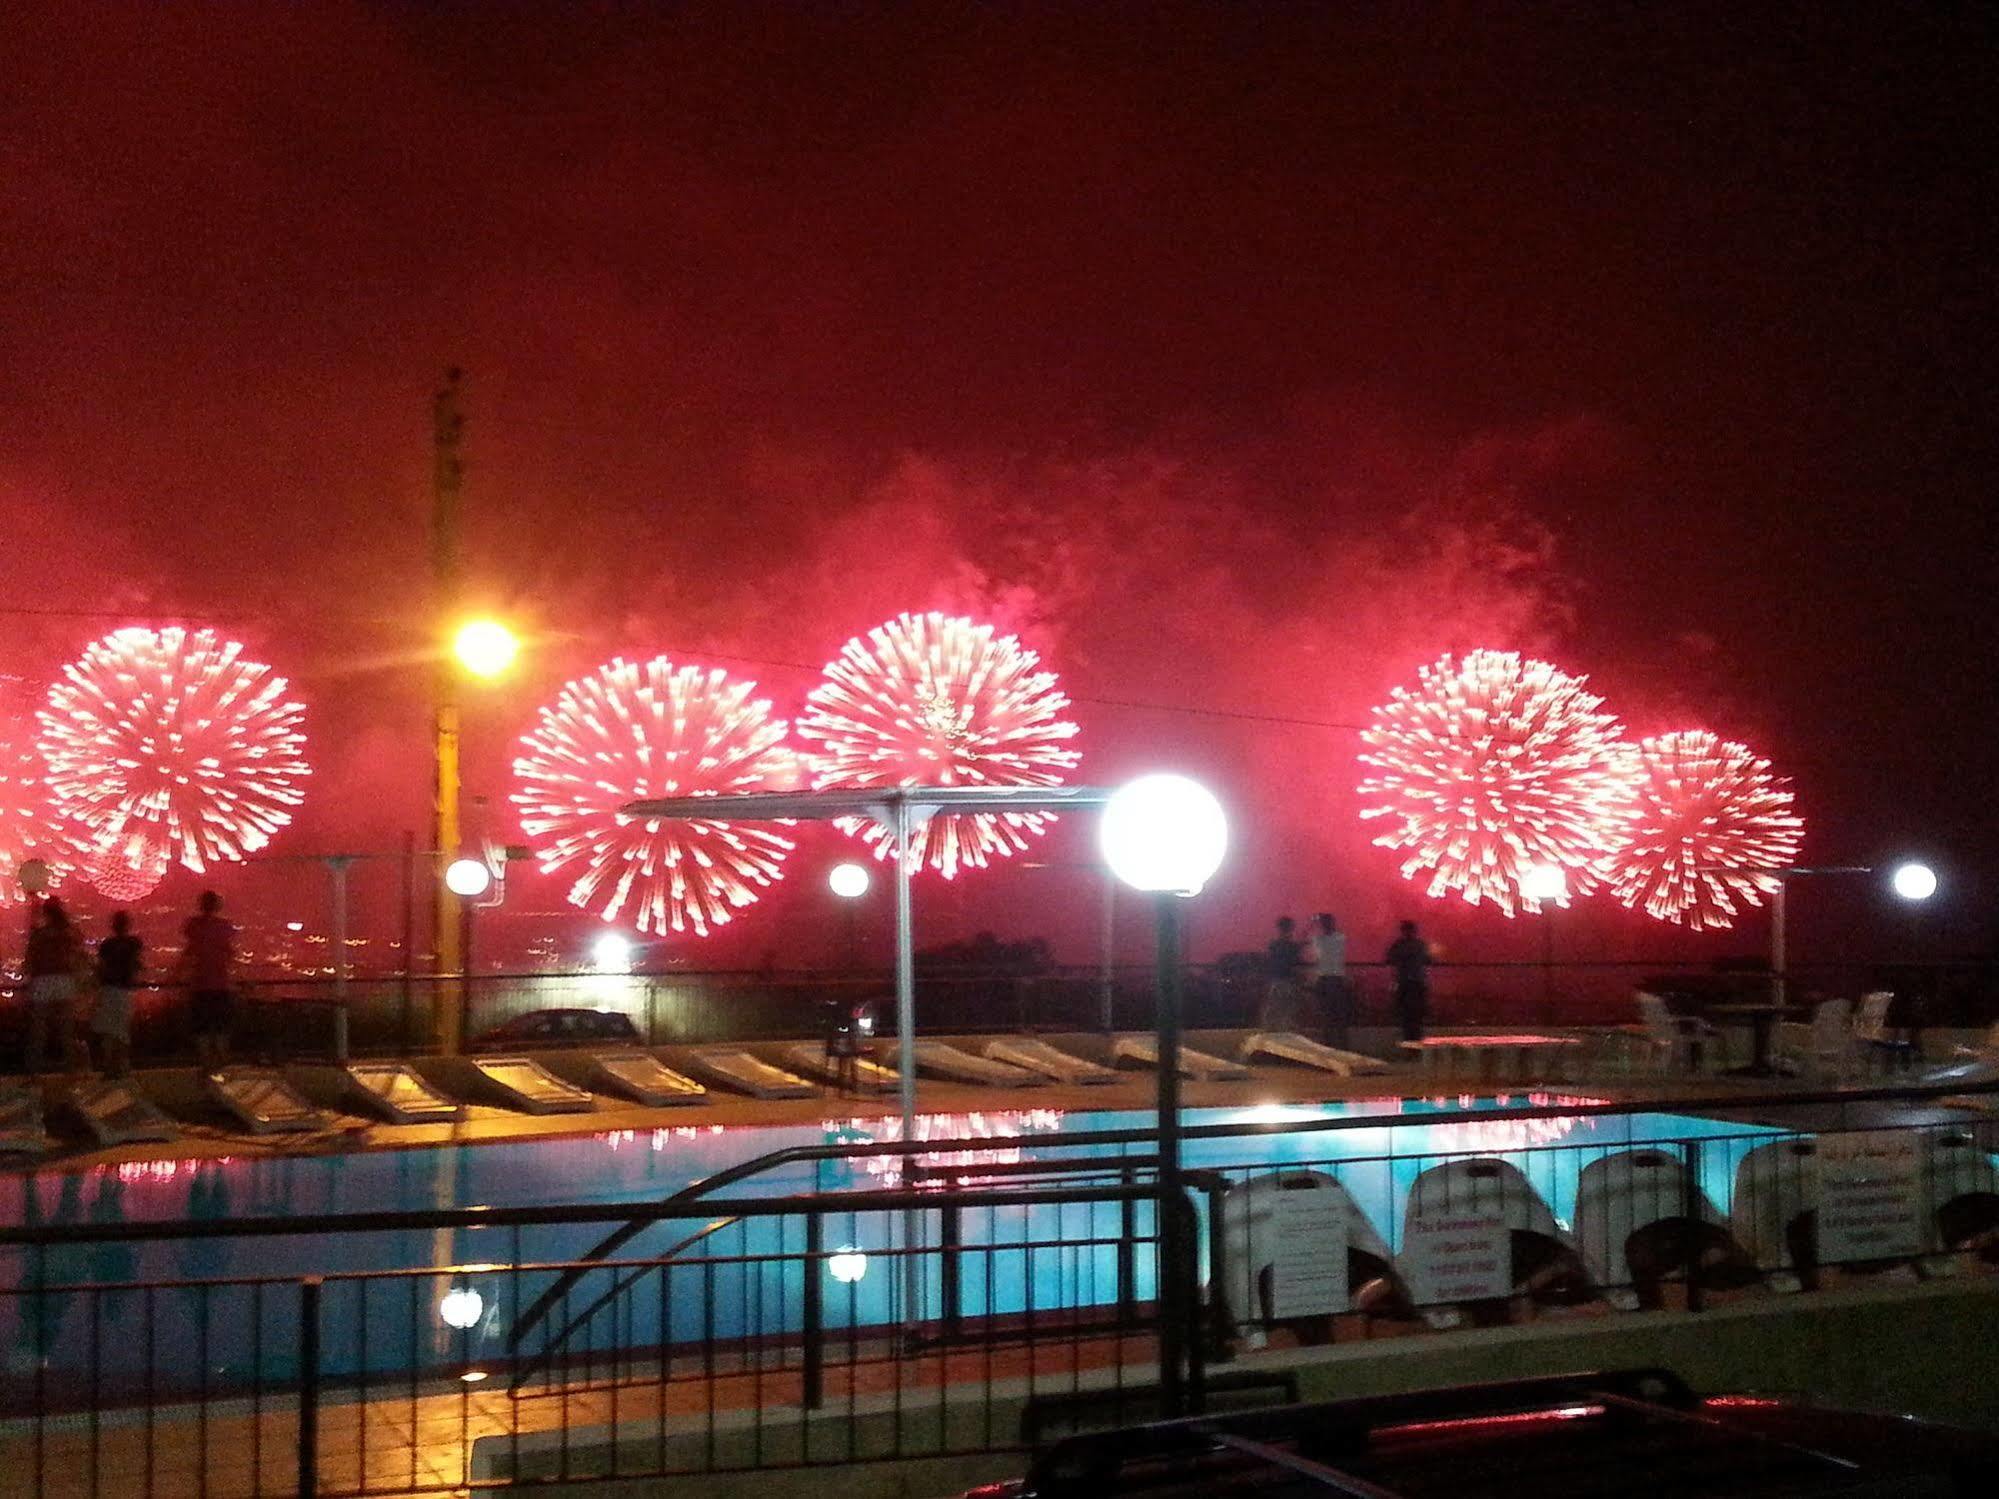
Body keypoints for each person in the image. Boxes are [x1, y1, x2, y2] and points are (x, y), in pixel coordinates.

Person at [23, 898, 85, 1074]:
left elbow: (29, 960)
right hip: (64, 981)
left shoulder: (39, 934)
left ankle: (33, 1074)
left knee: (38, 1032)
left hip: (42, 982)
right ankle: (71, 1072)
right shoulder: (68, 933)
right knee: (66, 1031)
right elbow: (79, 946)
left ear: (46, 913)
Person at [180, 890, 236, 1070]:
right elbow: (230, 953)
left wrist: (175, 975)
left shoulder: (193, 926)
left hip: (200, 987)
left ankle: (207, 1072)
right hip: (221, 986)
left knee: (202, 1033)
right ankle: (221, 1074)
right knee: (221, 1033)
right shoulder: (225, 927)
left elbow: (189, 952)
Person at [92, 911, 143, 1079]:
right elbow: (137, 965)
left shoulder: (107, 945)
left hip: (108, 990)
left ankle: (109, 1070)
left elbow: (101, 968)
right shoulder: (134, 944)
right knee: (121, 1031)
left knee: (108, 1032)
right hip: (124, 991)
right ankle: (122, 1068)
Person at [1309, 912, 1354, 1048]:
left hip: (1325, 978)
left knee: (1327, 1014)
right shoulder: (1339, 938)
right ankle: (1341, 1046)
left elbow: (1304, 939)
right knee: (1338, 1015)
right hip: (1335, 978)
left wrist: (1312, 922)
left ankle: (1329, 1046)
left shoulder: (1318, 939)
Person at [1385, 919, 1433, 1043]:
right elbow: (1429, 960)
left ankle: (1410, 1046)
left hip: (1405, 984)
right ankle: (1416, 1046)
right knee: (1416, 1018)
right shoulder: (1420, 945)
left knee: (1407, 1018)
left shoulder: (1399, 945)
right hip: (1416, 984)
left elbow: (1389, 959)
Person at [1261, 916, 1306, 1031]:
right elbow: (1296, 963)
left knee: (1275, 1012)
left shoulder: (1274, 945)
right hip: (1287, 982)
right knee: (1287, 1012)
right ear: (1291, 928)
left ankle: (1272, 1036)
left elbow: (1270, 964)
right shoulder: (1291, 946)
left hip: (1278, 981)